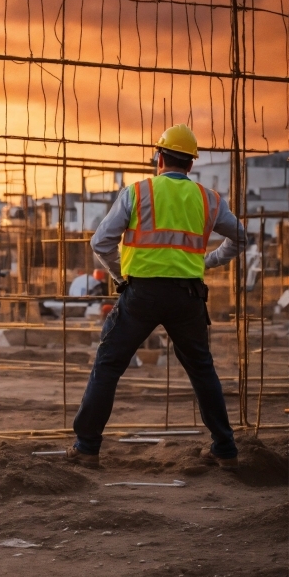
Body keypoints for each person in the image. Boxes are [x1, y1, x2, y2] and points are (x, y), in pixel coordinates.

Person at [67, 124, 246, 470]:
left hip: (142, 294)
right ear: (191, 165)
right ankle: (225, 450)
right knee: (201, 370)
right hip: (188, 296)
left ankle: (87, 447)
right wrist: (205, 262)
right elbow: (240, 238)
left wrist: (121, 276)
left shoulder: (137, 192)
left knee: (108, 365)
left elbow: (100, 243)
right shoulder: (209, 199)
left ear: (159, 157)